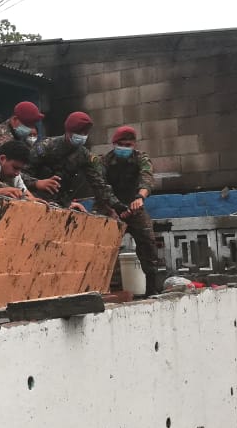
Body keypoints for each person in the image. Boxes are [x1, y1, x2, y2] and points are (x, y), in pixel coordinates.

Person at [102, 125, 160, 296]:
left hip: (134, 206)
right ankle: (104, 288)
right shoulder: (104, 161)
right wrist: (112, 209)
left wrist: (140, 197)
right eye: (121, 145)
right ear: (114, 144)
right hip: (109, 207)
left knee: (148, 240)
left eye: (128, 145)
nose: (125, 148)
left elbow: (147, 177)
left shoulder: (140, 158)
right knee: (102, 245)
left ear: (134, 145)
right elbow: (100, 187)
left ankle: (152, 287)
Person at [31, 111, 122, 211]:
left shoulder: (84, 155)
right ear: (68, 131)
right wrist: (37, 183)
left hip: (62, 205)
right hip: (35, 200)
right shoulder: (47, 147)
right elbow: (21, 174)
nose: (82, 136)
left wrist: (117, 205)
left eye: (85, 133)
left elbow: (99, 184)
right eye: (78, 133)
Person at [0, 101, 60, 198]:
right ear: (14, 119)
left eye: (32, 125)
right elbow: (10, 169)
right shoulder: (3, 137)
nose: (30, 129)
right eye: (27, 124)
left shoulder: (16, 134)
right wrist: (36, 183)